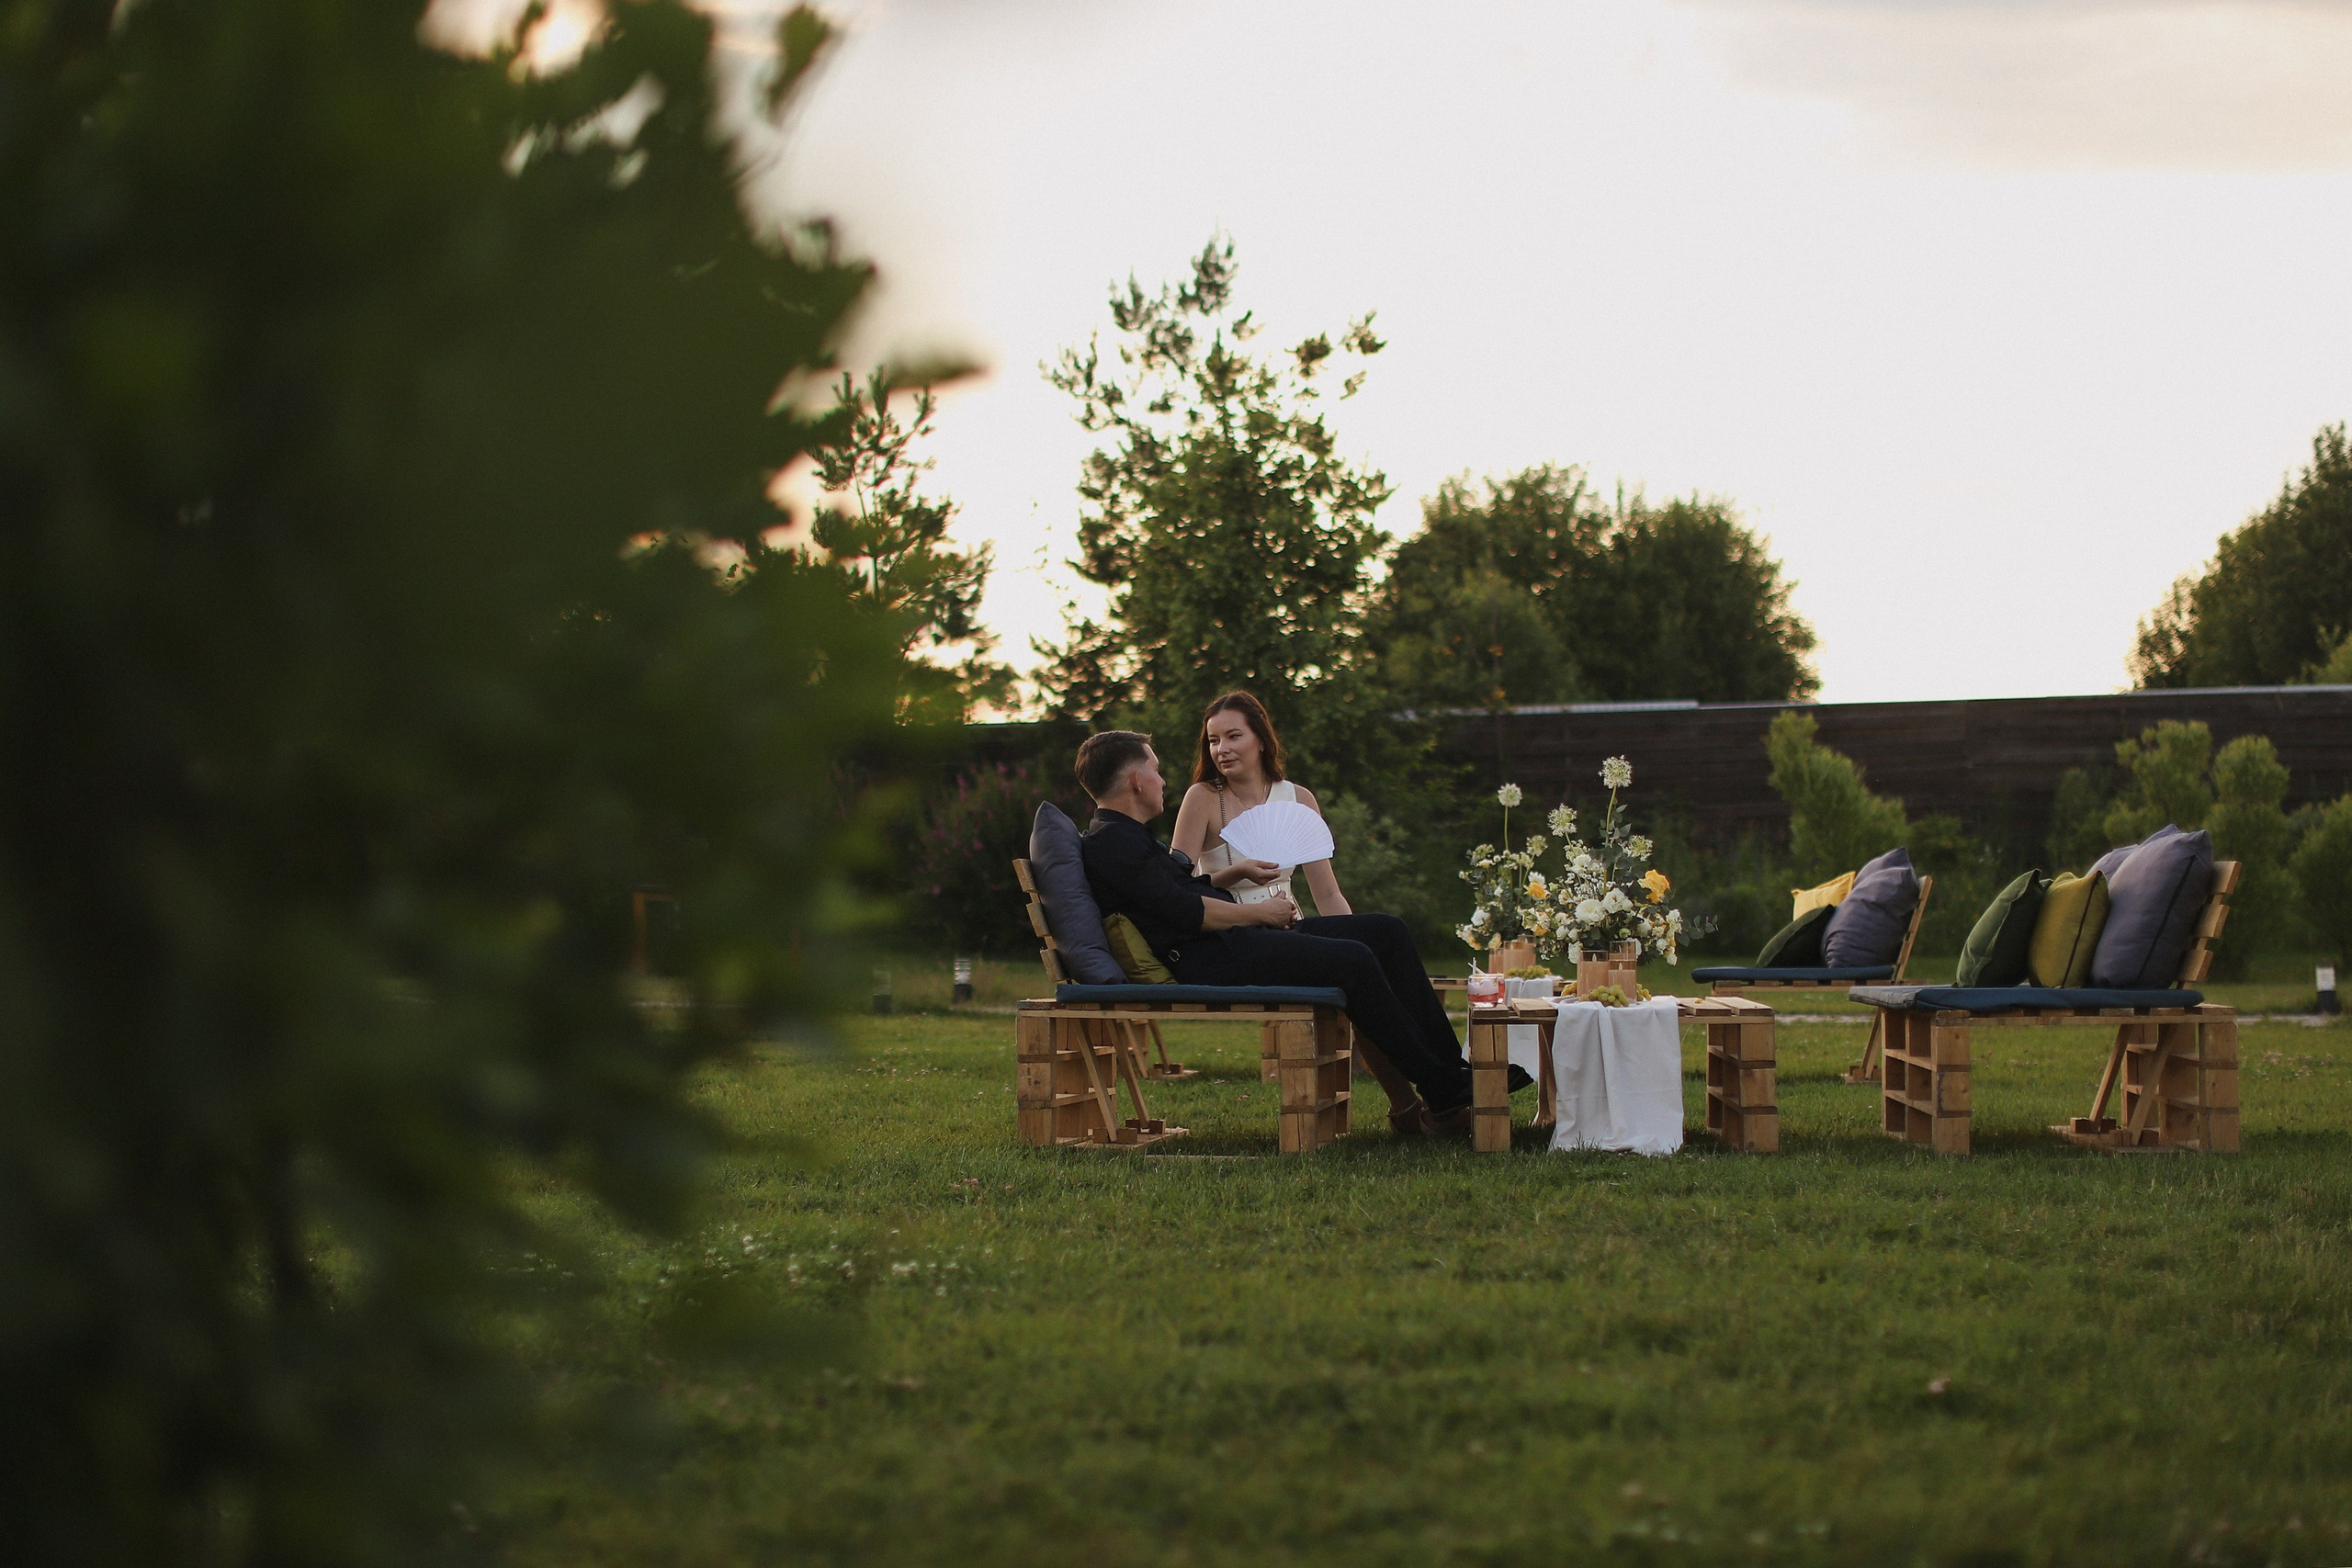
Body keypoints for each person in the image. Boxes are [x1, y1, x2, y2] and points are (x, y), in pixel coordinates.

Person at [1073, 728, 1477, 1134]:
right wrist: (1261, 914)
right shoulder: (1115, 845)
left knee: (1386, 931)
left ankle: (1453, 1069)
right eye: (1155, 771)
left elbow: (1175, 892)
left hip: (1224, 944)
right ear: (1136, 781)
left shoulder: (1127, 838)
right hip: (1207, 959)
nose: (1162, 781)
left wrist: (1233, 874)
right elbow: (1186, 913)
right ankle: (1442, 1090)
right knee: (1353, 959)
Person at [1171, 691, 1348, 915]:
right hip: (1227, 930)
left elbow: (1328, 894)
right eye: (1214, 741)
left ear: (1262, 740)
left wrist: (1353, 939)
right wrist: (1237, 872)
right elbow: (1176, 887)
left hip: (1287, 927)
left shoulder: (1299, 799)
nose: (1222, 749)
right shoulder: (1202, 797)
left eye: (1233, 736)